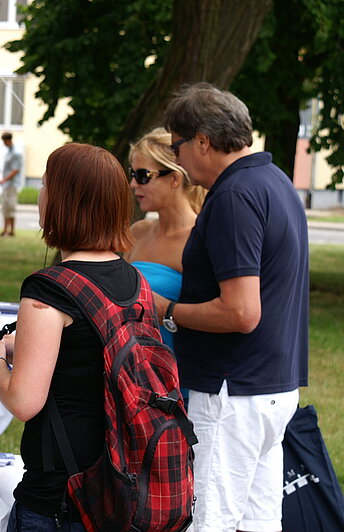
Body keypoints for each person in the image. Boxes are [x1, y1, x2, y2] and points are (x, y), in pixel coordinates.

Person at [159, 82, 309, 532]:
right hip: (271, 387)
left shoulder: (233, 195)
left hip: (232, 391)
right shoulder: (275, 181)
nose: (178, 158)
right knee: (257, 523)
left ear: (203, 141)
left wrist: (168, 310)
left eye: (178, 146)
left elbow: (241, 312)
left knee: (208, 522)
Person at [0, 142, 138, 530]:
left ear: (63, 201)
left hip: (61, 494)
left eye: (46, 185)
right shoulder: (132, 278)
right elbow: (88, 348)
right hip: (117, 480)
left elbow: (24, 401)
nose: (41, 194)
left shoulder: (50, 288)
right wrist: (16, 345)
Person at [124, 127, 205, 403]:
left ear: (174, 178)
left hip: (181, 385)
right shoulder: (138, 232)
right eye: (132, 174)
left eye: (143, 175)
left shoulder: (201, 239)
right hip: (132, 381)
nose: (133, 184)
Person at [0, 132, 23, 237]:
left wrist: (4, 180)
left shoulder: (16, 153)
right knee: (5, 207)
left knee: (10, 207)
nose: (4, 143)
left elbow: (15, 170)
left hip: (11, 184)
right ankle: (5, 230)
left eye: (4, 141)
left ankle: (11, 231)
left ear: (8, 140)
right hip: (7, 185)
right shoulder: (9, 152)